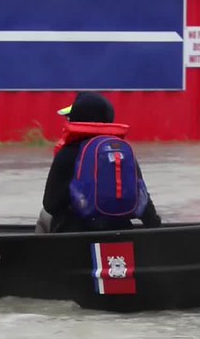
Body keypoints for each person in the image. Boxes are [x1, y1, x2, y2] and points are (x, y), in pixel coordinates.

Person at [42, 91, 161, 233]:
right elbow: (142, 198)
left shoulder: (67, 152)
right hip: (120, 231)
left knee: (44, 216)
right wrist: (154, 226)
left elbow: (50, 204)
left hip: (73, 236)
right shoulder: (121, 152)